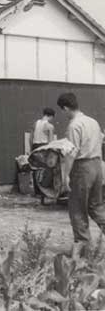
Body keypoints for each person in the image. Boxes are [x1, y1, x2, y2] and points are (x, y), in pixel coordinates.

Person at [57, 92, 105, 257]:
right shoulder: (93, 122)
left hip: (82, 167)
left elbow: (71, 153)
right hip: (97, 165)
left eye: (63, 110)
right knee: (96, 205)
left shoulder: (74, 125)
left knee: (77, 207)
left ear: (65, 108)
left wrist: (66, 176)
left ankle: (83, 246)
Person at [31, 107, 56, 196]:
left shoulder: (35, 123)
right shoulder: (49, 126)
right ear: (51, 116)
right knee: (45, 169)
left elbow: (31, 138)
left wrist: (32, 149)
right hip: (44, 147)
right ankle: (44, 191)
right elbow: (51, 141)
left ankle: (36, 191)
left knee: (36, 169)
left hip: (35, 146)